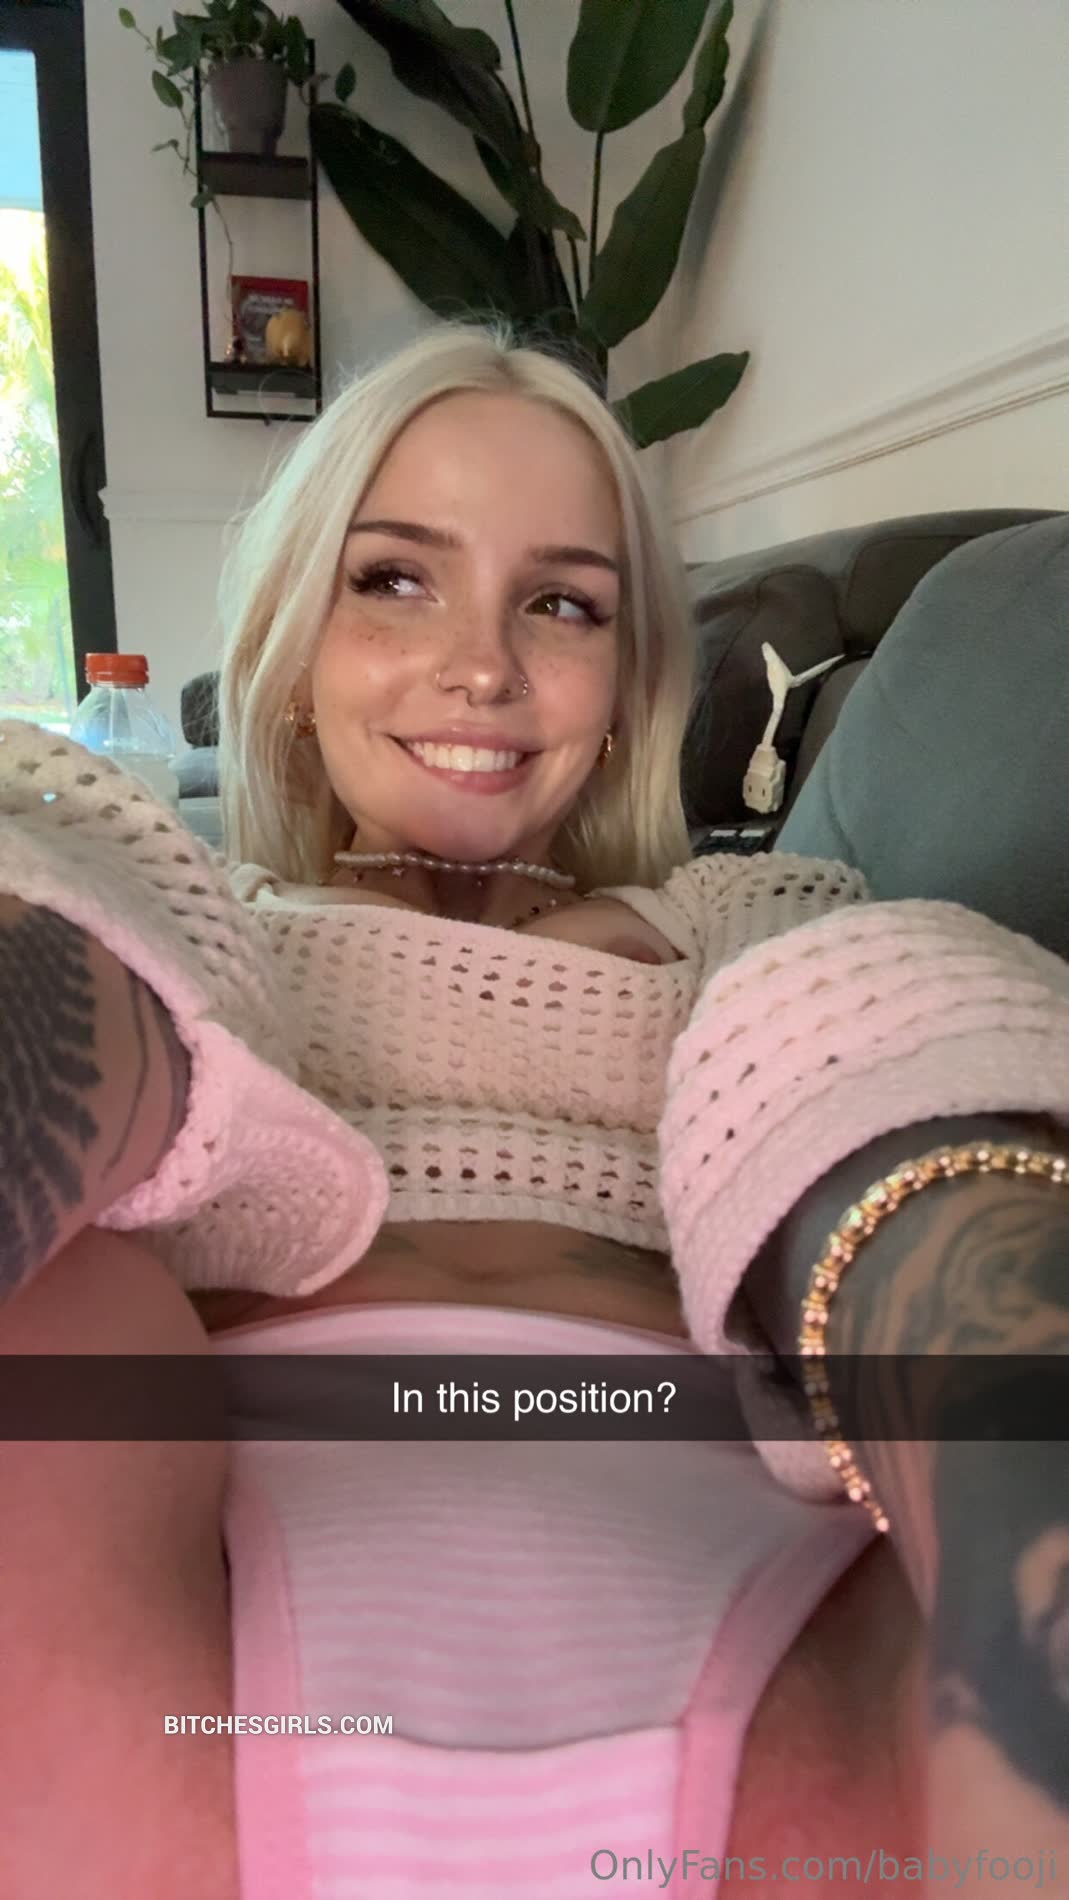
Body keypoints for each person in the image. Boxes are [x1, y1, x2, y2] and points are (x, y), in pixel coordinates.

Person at [1, 323, 1067, 1900]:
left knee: (890, 991)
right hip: (168, 1599)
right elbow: (94, 909)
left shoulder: (755, 915)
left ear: (629, 679)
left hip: (783, 1606)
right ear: (291, 642)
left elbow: (877, 1055)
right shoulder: (211, 910)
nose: (482, 667)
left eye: (560, 603)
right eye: (393, 579)